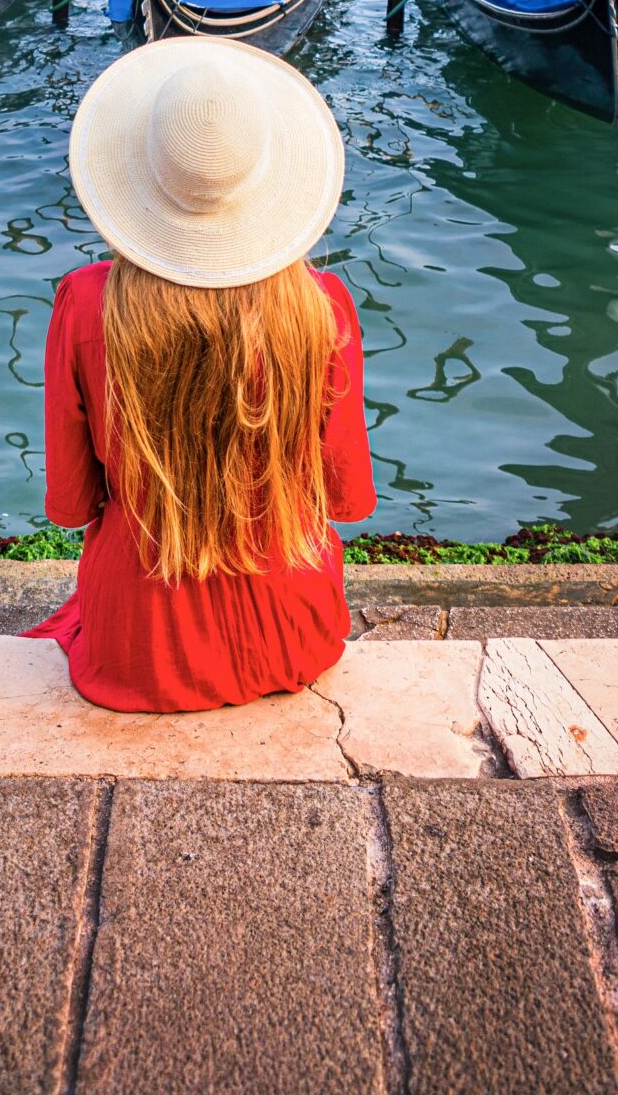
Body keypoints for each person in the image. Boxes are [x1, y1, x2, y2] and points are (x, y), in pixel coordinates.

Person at [24, 42, 374, 713]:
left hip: (139, 646)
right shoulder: (322, 308)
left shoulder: (85, 302)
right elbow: (345, 496)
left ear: (143, 173)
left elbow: (72, 506)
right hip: (290, 632)